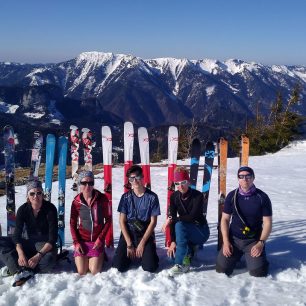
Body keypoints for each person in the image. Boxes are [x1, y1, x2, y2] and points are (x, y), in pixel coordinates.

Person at [216, 166, 272, 277]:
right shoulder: (232, 196)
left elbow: (267, 222)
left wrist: (261, 243)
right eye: (241, 176)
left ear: (253, 178)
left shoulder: (262, 197)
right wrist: (226, 242)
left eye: (248, 176)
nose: (245, 179)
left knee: (258, 272)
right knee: (221, 269)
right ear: (238, 179)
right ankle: (237, 256)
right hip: (234, 240)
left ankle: (259, 260)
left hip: (253, 241)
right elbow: (225, 219)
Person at [0, 180, 58, 286]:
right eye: (32, 193)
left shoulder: (50, 209)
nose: (36, 196)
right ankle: (20, 270)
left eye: (39, 193)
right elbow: (16, 235)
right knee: (1, 242)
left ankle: (19, 267)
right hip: (27, 242)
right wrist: (21, 253)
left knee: (49, 260)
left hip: (43, 245)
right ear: (28, 195)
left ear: (42, 194)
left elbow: (52, 238)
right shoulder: (23, 209)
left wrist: (38, 256)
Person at [162, 167, 210, 276]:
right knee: (171, 258)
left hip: (201, 231)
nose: (180, 186)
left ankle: (180, 265)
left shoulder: (197, 196)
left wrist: (171, 219)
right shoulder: (174, 197)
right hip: (186, 231)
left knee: (179, 224)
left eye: (183, 182)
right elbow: (173, 218)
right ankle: (189, 253)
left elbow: (192, 217)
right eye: (177, 183)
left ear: (188, 181)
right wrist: (173, 241)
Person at [112, 165, 160, 272]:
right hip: (129, 232)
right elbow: (122, 221)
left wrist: (142, 243)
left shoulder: (152, 197)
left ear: (142, 177)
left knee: (150, 267)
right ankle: (129, 256)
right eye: (131, 178)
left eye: (137, 177)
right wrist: (129, 243)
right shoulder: (125, 197)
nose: (135, 181)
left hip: (145, 233)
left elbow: (153, 222)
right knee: (118, 266)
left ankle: (149, 252)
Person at [70, 170, 112, 275]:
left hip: (97, 241)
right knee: (82, 271)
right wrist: (76, 242)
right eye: (84, 183)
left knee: (94, 271)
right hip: (82, 241)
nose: (87, 186)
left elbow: (108, 220)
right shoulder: (76, 202)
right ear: (80, 184)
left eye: (91, 183)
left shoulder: (102, 199)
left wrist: (101, 239)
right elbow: (72, 223)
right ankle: (89, 257)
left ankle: (100, 254)